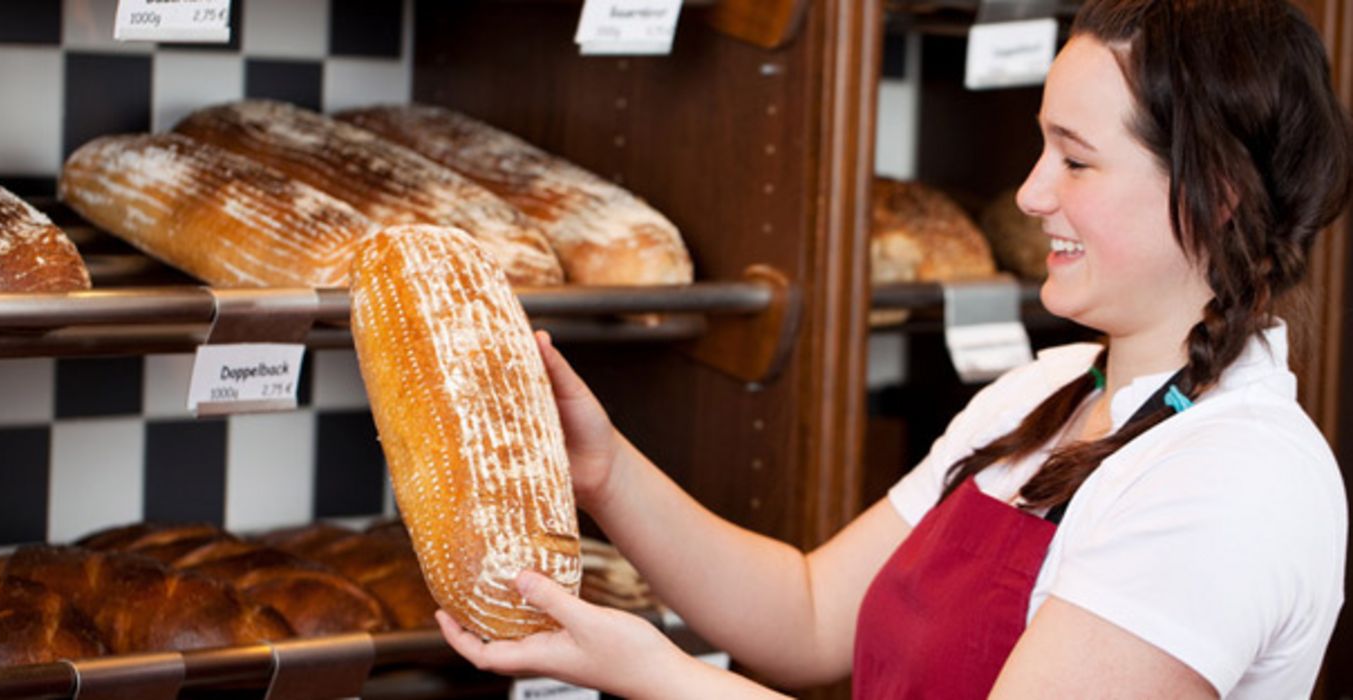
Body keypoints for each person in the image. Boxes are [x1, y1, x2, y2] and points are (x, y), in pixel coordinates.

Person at [435, 0, 1353, 697]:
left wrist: (662, 674)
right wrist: (605, 472)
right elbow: (806, 611)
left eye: (1074, 161)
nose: (1032, 194)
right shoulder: (1048, 390)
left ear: (1215, 193)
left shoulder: (1235, 479)